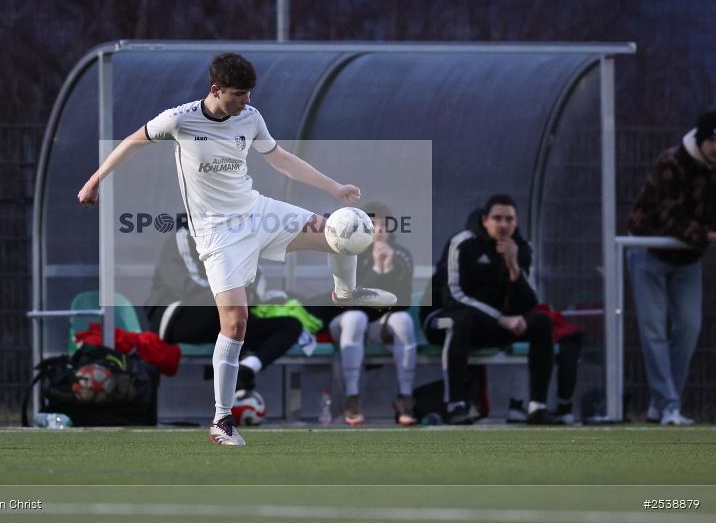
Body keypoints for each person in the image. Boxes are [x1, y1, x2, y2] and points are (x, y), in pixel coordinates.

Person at [78, 53, 395, 446]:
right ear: (216, 90)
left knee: (345, 227)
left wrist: (335, 188)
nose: (245, 102)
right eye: (238, 95)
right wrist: (94, 182)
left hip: (257, 212)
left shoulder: (251, 116)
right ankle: (222, 420)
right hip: (216, 234)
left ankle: (344, 291)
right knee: (236, 321)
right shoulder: (179, 119)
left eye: (248, 95)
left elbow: (281, 159)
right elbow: (130, 143)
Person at [421, 194, 558, 425]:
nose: (503, 225)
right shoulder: (463, 243)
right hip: (441, 318)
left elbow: (527, 303)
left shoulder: (522, 249)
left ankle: (537, 408)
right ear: (485, 220)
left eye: (509, 219)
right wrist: (501, 318)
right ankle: (456, 405)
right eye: (497, 218)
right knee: (459, 321)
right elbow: (454, 296)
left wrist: (514, 267)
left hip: (488, 324)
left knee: (542, 322)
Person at [626, 110, 716, 426]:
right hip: (650, 253)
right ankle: (668, 404)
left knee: (689, 327)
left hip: (687, 259)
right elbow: (669, 217)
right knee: (653, 330)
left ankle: (663, 404)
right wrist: (706, 235)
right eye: (715, 141)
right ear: (704, 141)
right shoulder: (672, 163)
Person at [145, 221, 303, 393]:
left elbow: (257, 288)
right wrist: (236, 292)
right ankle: (229, 380)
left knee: (291, 324)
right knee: (226, 303)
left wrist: (286, 301)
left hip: (225, 320)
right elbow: (188, 287)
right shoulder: (183, 237)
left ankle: (246, 370)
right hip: (178, 319)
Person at [328, 202, 417, 426]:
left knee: (403, 321)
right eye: (374, 224)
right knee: (356, 319)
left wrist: (389, 269)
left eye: (385, 224)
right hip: (346, 320)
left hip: (381, 322)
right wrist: (377, 269)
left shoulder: (402, 256)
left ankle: (405, 398)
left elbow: (403, 301)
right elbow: (349, 299)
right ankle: (352, 397)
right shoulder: (348, 250)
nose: (380, 229)